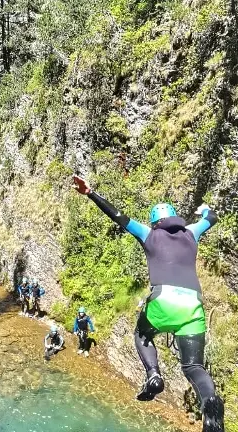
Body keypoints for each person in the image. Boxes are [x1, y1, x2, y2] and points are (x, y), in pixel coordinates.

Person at [72, 174, 225, 432]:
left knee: (142, 336)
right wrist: (205, 209)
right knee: (194, 366)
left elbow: (118, 216)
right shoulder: (191, 233)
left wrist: (90, 193)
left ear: (154, 222)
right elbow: (211, 219)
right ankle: (210, 406)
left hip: (163, 300)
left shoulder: (149, 234)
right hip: (193, 305)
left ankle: (153, 374)